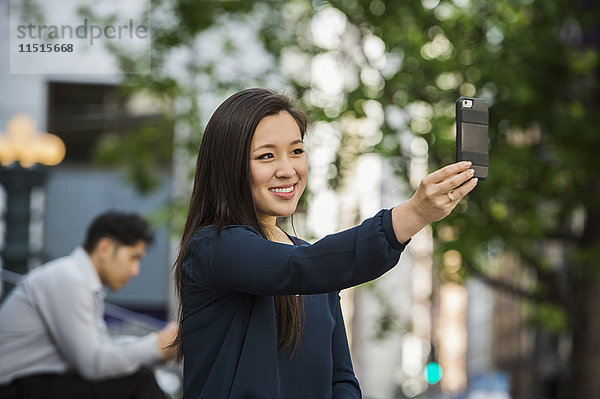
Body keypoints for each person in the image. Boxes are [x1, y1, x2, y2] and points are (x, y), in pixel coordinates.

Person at [172, 88, 478, 399]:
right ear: (229, 167)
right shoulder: (212, 247)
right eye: (266, 156)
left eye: (296, 151)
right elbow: (302, 268)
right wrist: (413, 213)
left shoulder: (313, 264)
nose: (288, 170)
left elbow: (341, 379)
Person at [0, 211, 177, 399]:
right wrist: (157, 345)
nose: (135, 271)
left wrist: (156, 344)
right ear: (104, 248)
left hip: (31, 384)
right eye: (133, 257)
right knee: (140, 383)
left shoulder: (79, 280)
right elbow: (93, 364)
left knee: (138, 378)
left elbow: (102, 349)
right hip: (13, 388)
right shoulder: (68, 280)